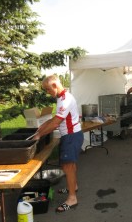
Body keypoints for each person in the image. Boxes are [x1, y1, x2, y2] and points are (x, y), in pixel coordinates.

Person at [33, 75, 83, 213]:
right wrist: (42, 127)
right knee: (68, 165)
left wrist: (39, 135)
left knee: (68, 166)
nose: (48, 93)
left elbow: (56, 123)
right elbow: (55, 119)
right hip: (69, 136)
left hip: (71, 136)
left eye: (48, 90)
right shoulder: (61, 97)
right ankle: (74, 186)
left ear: (55, 85)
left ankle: (72, 198)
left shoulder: (65, 99)